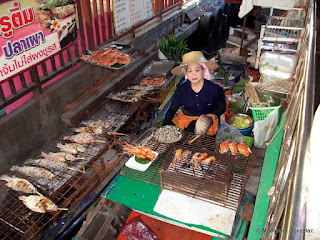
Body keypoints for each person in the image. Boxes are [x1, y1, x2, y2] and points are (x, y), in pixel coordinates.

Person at [163, 51, 226, 135]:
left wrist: (216, 114)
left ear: (203, 71)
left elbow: (222, 105)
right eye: (190, 71)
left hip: (207, 120)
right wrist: (164, 127)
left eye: (197, 70)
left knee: (206, 141)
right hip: (187, 119)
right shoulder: (181, 90)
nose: (194, 74)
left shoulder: (214, 89)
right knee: (186, 137)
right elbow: (172, 109)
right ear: (186, 73)